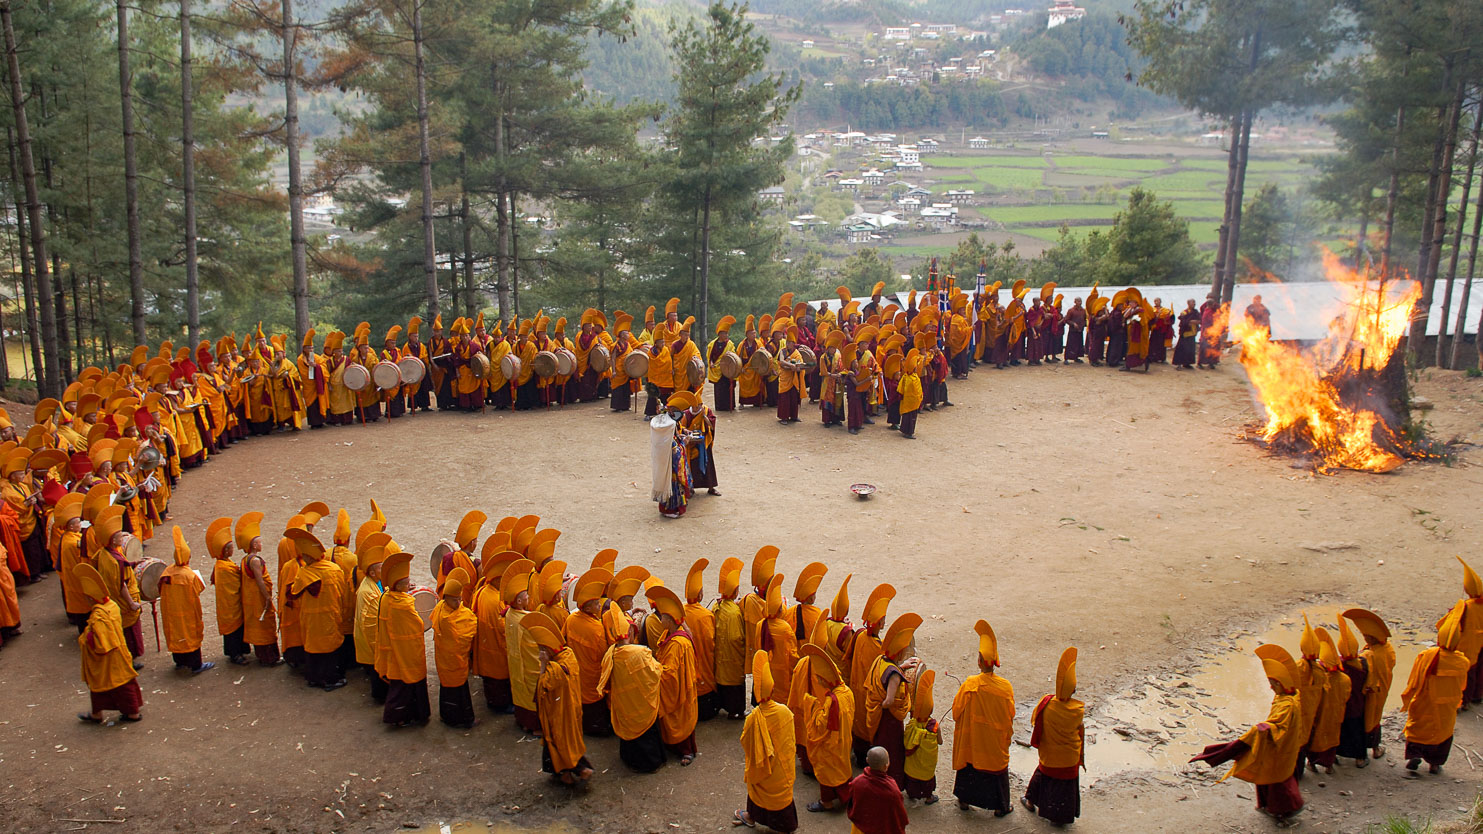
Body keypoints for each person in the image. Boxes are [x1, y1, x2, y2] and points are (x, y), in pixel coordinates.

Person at [1190, 645, 1306, 827]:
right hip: (1279, 746)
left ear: (1282, 684)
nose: (1270, 686)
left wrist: (1261, 729)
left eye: (1274, 683)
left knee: (1277, 781)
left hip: (1280, 748)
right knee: (1268, 775)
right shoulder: (1290, 696)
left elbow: (1278, 726)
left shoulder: (1288, 705)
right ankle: (1268, 806)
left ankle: (1282, 812)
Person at [952, 619, 1014, 817]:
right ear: (995, 662)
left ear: (978, 661)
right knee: (996, 773)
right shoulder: (1005, 688)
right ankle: (1000, 806)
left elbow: (956, 712)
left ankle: (964, 800)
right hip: (994, 744)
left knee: (969, 769)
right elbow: (1009, 716)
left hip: (974, 743)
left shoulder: (970, 684)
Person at [524, 610, 594, 785]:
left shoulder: (554, 670)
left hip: (558, 715)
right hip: (571, 710)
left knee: (561, 744)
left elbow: (541, 688)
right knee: (566, 743)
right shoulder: (568, 655)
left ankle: (579, 770)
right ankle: (564, 774)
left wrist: (543, 663)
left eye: (541, 649)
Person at [1402, 606, 1470, 775]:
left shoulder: (1428, 655)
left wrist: (1410, 694)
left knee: (1418, 728)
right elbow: (1462, 684)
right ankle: (1434, 764)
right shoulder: (1462, 661)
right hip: (1447, 706)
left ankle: (1414, 756)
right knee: (1443, 733)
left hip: (1425, 701)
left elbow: (1415, 678)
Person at [734, 650, 797, 832]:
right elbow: (790, 742)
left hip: (762, 772)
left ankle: (751, 816)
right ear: (773, 688)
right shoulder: (784, 712)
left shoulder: (753, 718)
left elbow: (747, 743)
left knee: (757, 788)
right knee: (781, 796)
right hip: (782, 771)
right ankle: (786, 826)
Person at [73, 563, 143, 724]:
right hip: (120, 652)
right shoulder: (111, 605)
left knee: (114, 686)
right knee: (120, 685)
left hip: (108, 659)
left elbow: (99, 643)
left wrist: (84, 638)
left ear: (92, 598)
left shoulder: (99, 616)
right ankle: (100, 713)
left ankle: (131, 714)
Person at [1023, 647, 1082, 825]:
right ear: (1073, 690)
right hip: (1069, 762)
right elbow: (1080, 732)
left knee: (1042, 773)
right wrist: (1082, 756)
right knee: (1064, 785)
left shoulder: (1047, 703)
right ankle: (1059, 817)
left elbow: (1035, 720)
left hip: (1048, 758)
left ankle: (1031, 801)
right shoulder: (1077, 710)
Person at [599, 617, 666, 773]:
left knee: (630, 734)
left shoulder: (610, 653)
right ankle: (650, 763)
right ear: (629, 632)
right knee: (647, 734)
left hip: (624, 704)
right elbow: (655, 672)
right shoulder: (640, 652)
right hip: (642, 703)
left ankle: (630, 759)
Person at [286, 528, 349, 690]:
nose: (304, 558)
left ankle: (313, 677)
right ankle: (329, 680)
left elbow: (293, 593)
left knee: (313, 647)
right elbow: (342, 591)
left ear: (310, 556)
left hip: (310, 618)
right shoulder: (333, 569)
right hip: (329, 615)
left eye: (305, 556)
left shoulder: (303, 574)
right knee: (329, 648)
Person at [865, 613, 921, 789]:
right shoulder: (895, 676)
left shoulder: (880, 660)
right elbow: (889, 700)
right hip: (889, 718)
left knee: (882, 745)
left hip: (880, 717)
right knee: (893, 751)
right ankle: (892, 782)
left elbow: (887, 671)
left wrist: (901, 667)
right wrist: (887, 706)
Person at [376, 550, 430, 727]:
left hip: (395, 650)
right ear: (398, 586)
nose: (409, 585)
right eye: (406, 583)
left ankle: (405, 715)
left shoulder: (386, 597)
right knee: (406, 686)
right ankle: (397, 716)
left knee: (400, 684)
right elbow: (418, 624)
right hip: (407, 652)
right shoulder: (404, 604)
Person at [799, 642, 854, 813]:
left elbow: (822, 725)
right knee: (842, 768)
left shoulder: (832, 701)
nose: (818, 681)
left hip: (831, 743)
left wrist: (812, 705)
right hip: (844, 739)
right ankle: (846, 796)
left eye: (820, 679)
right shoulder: (846, 692)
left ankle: (827, 802)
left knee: (827, 770)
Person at [648, 585, 700, 765]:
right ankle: (672, 746)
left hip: (679, 690)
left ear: (670, 620)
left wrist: (653, 668)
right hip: (673, 687)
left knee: (680, 718)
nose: (660, 619)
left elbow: (669, 673)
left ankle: (687, 751)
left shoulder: (678, 643)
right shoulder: (668, 634)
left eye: (662, 617)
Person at [158, 526, 214, 675]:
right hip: (187, 612)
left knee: (176, 634)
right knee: (190, 634)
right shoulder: (188, 575)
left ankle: (180, 661)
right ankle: (196, 665)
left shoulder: (168, 571)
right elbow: (199, 588)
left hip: (171, 613)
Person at [1344, 607, 1396, 761]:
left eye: (1367, 636)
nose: (1365, 639)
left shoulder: (1369, 655)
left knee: (1365, 720)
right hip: (1382, 691)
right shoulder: (1388, 649)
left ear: (1374, 638)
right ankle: (1376, 748)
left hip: (1370, 692)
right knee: (1375, 718)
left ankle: (1361, 756)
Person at [430, 567, 478, 728]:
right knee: (457, 692)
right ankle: (462, 719)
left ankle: (447, 715)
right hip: (451, 660)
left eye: (459, 599)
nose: (458, 603)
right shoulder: (445, 617)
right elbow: (463, 635)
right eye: (454, 600)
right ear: (446, 598)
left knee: (451, 689)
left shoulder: (443, 608)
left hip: (450, 661)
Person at [236, 512, 281, 666]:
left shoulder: (244, 560)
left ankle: (263, 655)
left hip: (251, 599)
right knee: (264, 626)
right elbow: (260, 581)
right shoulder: (255, 561)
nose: (262, 545)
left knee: (257, 625)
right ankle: (269, 658)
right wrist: (267, 597)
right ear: (254, 545)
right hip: (259, 599)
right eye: (260, 542)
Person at [1305, 629, 1348, 775]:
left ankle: (1312, 764)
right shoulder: (1345, 679)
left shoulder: (1322, 679)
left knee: (1316, 739)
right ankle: (1329, 766)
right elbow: (1346, 697)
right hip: (1336, 717)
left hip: (1320, 716)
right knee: (1332, 739)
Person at [207, 517, 249, 664]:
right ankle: (235, 654)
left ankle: (240, 650)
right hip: (230, 604)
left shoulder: (224, 563)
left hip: (229, 604)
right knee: (233, 630)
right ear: (225, 550)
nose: (233, 549)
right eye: (230, 547)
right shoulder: (224, 568)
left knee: (237, 628)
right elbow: (235, 583)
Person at [682, 559, 719, 721]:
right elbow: (712, 642)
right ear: (700, 594)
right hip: (704, 661)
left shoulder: (680, 611)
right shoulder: (706, 615)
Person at [355, 537, 390, 702]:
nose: (384, 570)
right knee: (378, 672)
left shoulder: (377, 583)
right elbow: (370, 626)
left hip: (379, 637)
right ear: (372, 572)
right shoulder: (368, 592)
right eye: (381, 568)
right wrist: (380, 647)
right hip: (372, 641)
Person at [712, 557, 747, 720]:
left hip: (720, 655)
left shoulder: (716, 606)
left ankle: (722, 706)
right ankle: (735, 712)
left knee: (722, 682)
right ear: (735, 591)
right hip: (732, 657)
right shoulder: (734, 612)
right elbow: (736, 637)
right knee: (734, 687)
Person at [1334, 615, 1372, 767]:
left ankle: (1335, 755)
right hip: (1358, 706)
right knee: (1358, 732)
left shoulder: (1338, 666)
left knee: (1341, 731)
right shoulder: (1363, 664)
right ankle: (1360, 758)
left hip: (1343, 706)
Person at [847, 747, 910, 834]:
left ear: (867, 760)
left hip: (861, 828)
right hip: (882, 829)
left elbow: (852, 803)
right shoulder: (892, 790)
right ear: (886, 766)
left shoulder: (857, 782)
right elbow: (898, 815)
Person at [902, 669, 941, 805]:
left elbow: (906, 739)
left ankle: (912, 794)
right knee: (926, 779)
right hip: (927, 765)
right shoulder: (934, 725)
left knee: (913, 777)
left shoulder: (912, 725)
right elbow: (940, 741)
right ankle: (928, 797)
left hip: (912, 766)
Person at [708, 316, 737, 412]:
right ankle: (720, 407)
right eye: (724, 333)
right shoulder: (712, 344)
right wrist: (711, 363)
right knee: (719, 389)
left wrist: (730, 354)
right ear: (720, 334)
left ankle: (729, 406)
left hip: (727, 369)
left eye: (727, 333)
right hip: (717, 369)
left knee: (728, 388)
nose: (726, 335)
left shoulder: (730, 344)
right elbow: (710, 356)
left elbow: (733, 355)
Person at [1174, 299, 1200, 369]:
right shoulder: (1184, 312)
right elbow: (1183, 322)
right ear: (1188, 303)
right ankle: (1179, 363)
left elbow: (1200, 320)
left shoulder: (1195, 312)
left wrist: (1194, 322)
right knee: (1182, 349)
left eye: (1195, 302)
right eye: (1192, 303)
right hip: (1185, 334)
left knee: (1190, 349)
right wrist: (1191, 321)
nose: (1194, 304)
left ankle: (1187, 363)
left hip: (1192, 333)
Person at [1062, 297, 1086, 363]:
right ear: (1075, 302)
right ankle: (1066, 358)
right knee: (1070, 344)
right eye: (1078, 301)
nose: (1079, 303)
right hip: (1073, 330)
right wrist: (1073, 324)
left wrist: (1084, 324)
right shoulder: (1071, 310)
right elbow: (1067, 320)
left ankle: (1076, 357)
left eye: (1080, 301)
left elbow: (1084, 319)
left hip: (1080, 330)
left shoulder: (1083, 311)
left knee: (1078, 344)